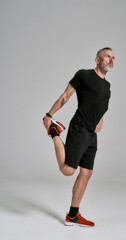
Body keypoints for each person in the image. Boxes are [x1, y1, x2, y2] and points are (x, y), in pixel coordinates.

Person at [43, 47, 115, 227]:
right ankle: (54, 132)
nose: (111, 59)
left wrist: (101, 119)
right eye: (107, 56)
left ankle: (72, 215)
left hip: (91, 133)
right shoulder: (84, 75)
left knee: (87, 172)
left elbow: (100, 105)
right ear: (97, 60)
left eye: (113, 57)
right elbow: (66, 95)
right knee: (68, 169)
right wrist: (49, 115)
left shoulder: (107, 86)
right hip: (80, 127)